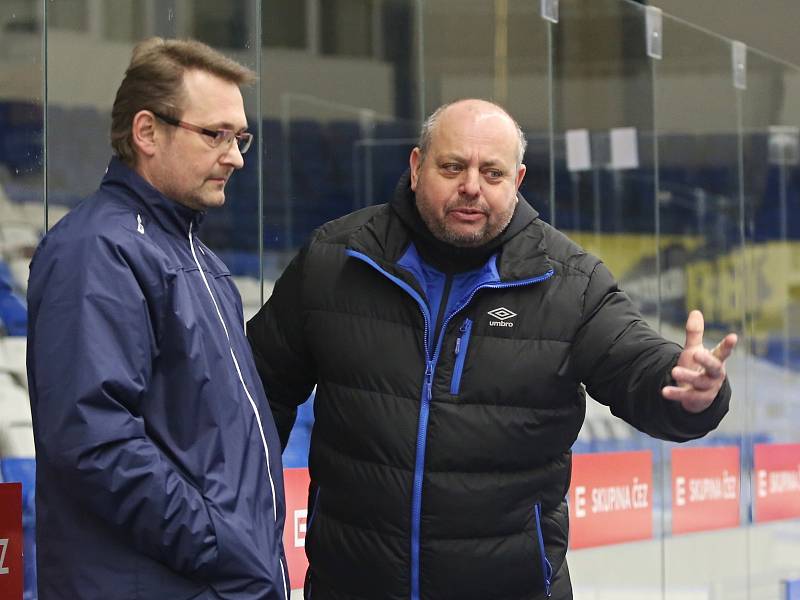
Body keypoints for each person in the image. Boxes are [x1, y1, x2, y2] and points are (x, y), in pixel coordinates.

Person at [246, 98, 737, 600]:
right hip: (351, 584)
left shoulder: (570, 283)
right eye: (453, 166)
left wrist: (690, 390)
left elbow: (636, 360)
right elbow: (254, 396)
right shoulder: (336, 258)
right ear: (417, 168)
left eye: (492, 172)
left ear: (518, 181)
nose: (471, 187)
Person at [27, 38, 288, 600]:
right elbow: (95, 440)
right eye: (215, 134)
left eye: (241, 137)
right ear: (146, 132)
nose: (237, 156)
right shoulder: (97, 250)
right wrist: (224, 548)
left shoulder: (198, 260)